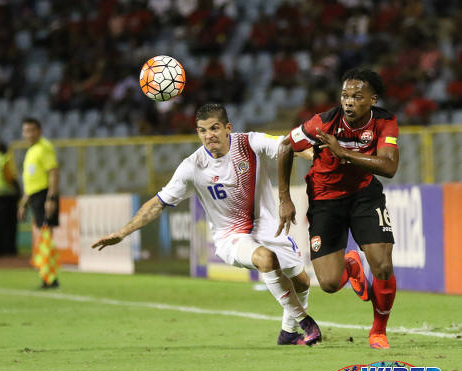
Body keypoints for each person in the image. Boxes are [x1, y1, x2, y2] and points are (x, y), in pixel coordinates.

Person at [92, 103, 322, 346]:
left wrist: (316, 157)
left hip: (268, 226)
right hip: (231, 236)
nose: (208, 135)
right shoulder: (192, 166)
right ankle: (305, 321)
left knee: (302, 282)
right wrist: (122, 232)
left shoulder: (248, 143)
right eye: (202, 131)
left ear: (227, 128)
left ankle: (287, 333)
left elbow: (290, 146)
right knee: (266, 258)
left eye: (214, 128)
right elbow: (158, 203)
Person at [277, 68, 399, 349]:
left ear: (372, 100)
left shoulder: (385, 122)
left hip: (364, 195)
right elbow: (285, 147)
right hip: (325, 199)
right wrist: (285, 198)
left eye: (357, 96)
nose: (348, 102)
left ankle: (378, 331)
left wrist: (344, 153)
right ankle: (351, 265)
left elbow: (390, 167)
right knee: (330, 284)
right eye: (345, 96)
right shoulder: (324, 123)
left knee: (382, 265)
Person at [17, 117, 61, 289]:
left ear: (40, 131)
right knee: (43, 237)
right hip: (35, 197)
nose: (27, 134)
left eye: (31, 130)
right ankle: (47, 276)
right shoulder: (31, 151)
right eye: (25, 130)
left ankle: (50, 278)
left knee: (46, 236)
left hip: (44, 196)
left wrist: (51, 198)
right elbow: (31, 181)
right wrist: (23, 203)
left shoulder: (44, 148)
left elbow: (54, 173)